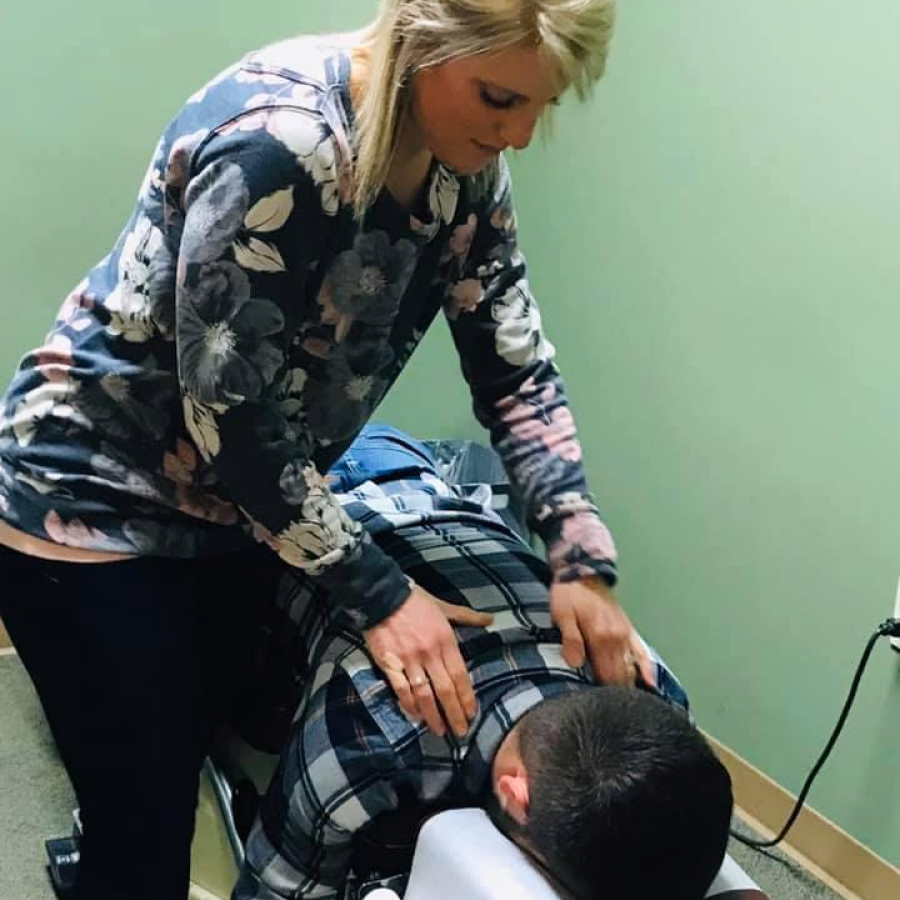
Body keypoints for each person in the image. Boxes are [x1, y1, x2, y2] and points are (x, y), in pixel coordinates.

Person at [0, 3, 653, 898]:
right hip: (88, 504)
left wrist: (579, 555)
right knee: (143, 820)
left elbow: (514, 366)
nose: (521, 136)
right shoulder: (280, 144)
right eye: (501, 99)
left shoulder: (467, 170)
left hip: (237, 506)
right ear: (423, 41)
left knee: (193, 732)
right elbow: (228, 415)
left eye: (540, 108)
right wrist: (384, 594)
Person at [232, 425, 734, 900]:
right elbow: (276, 886)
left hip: (410, 467)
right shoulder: (370, 737)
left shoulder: (656, 689)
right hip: (279, 490)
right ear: (515, 793)